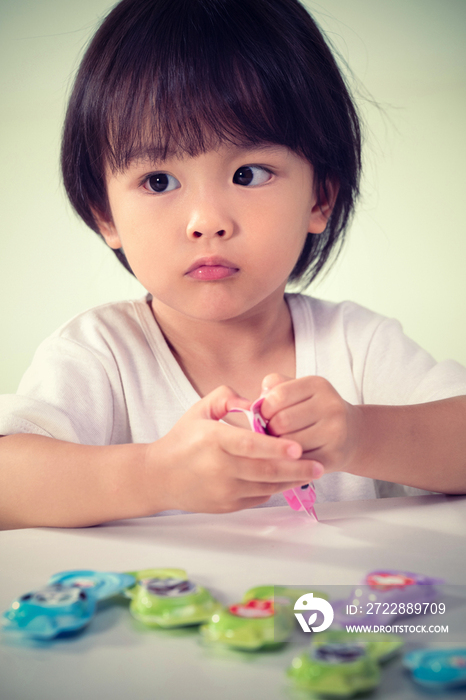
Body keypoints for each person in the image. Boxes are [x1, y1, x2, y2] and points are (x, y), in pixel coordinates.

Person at [1, 0, 465, 530]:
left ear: (319, 199)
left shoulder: (358, 347)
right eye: (159, 181)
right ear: (106, 215)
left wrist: (361, 434)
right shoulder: (99, 354)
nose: (207, 221)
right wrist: (156, 475)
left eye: (248, 174)